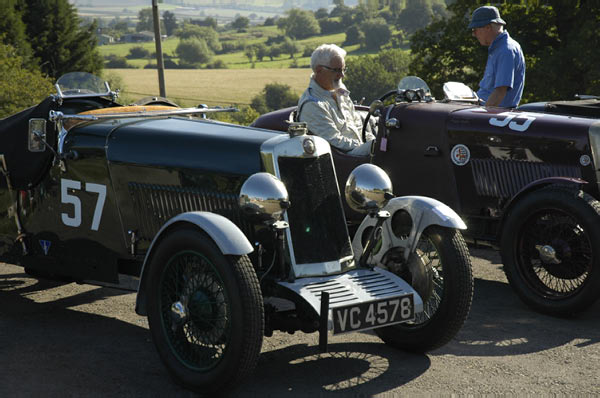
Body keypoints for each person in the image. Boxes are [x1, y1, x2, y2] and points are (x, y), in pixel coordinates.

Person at [297, 44, 375, 156]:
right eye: (337, 70)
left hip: (359, 150)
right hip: (345, 158)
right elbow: (333, 141)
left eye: (344, 69)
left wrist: (373, 141)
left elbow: (358, 126)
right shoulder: (312, 104)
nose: (342, 75)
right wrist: (370, 146)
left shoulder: (340, 91)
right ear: (319, 70)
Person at [469, 6, 525, 108]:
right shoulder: (498, 48)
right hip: (485, 110)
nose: (474, 34)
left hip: (493, 115)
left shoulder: (505, 50)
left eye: (475, 29)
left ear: (488, 27)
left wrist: (481, 116)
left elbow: (500, 92)